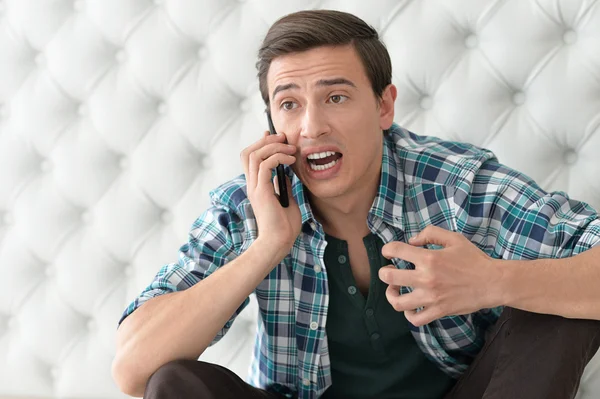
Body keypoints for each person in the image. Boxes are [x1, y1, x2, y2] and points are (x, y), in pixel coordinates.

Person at [111, 9, 600, 399]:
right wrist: (267, 246)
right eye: (289, 104)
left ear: (384, 105)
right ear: (271, 124)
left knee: (554, 303)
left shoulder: (457, 186)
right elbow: (133, 371)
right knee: (175, 382)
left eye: (336, 98)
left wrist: (494, 281)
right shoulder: (250, 205)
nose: (311, 127)